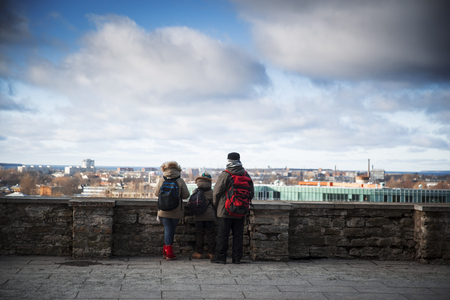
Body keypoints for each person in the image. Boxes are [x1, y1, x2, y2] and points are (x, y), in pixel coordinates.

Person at [211, 152, 254, 264]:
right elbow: (251, 193)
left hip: (225, 210)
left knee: (223, 235)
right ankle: (237, 258)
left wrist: (216, 207)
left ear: (228, 161)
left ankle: (220, 258)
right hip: (241, 211)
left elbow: (216, 193)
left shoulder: (225, 174)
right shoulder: (245, 174)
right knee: (238, 235)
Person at [155, 161, 190, 261]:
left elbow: (156, 193)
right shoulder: (180, 180)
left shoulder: (162, 179)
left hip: (163, 209)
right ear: (178, 169)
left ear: (164, 169)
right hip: (176, 209)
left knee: (168, 229)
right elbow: (186, 195)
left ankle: (166, 251)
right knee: (171, 230)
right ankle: (169, 253)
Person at [191, 172, 216, 259]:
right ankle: (211, 253)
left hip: (198, 215)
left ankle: (198, 253)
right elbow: (215, 204)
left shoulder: (195, 191)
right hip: (209, 216)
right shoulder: (212, 192)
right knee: (210, 234)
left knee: (199, 234)